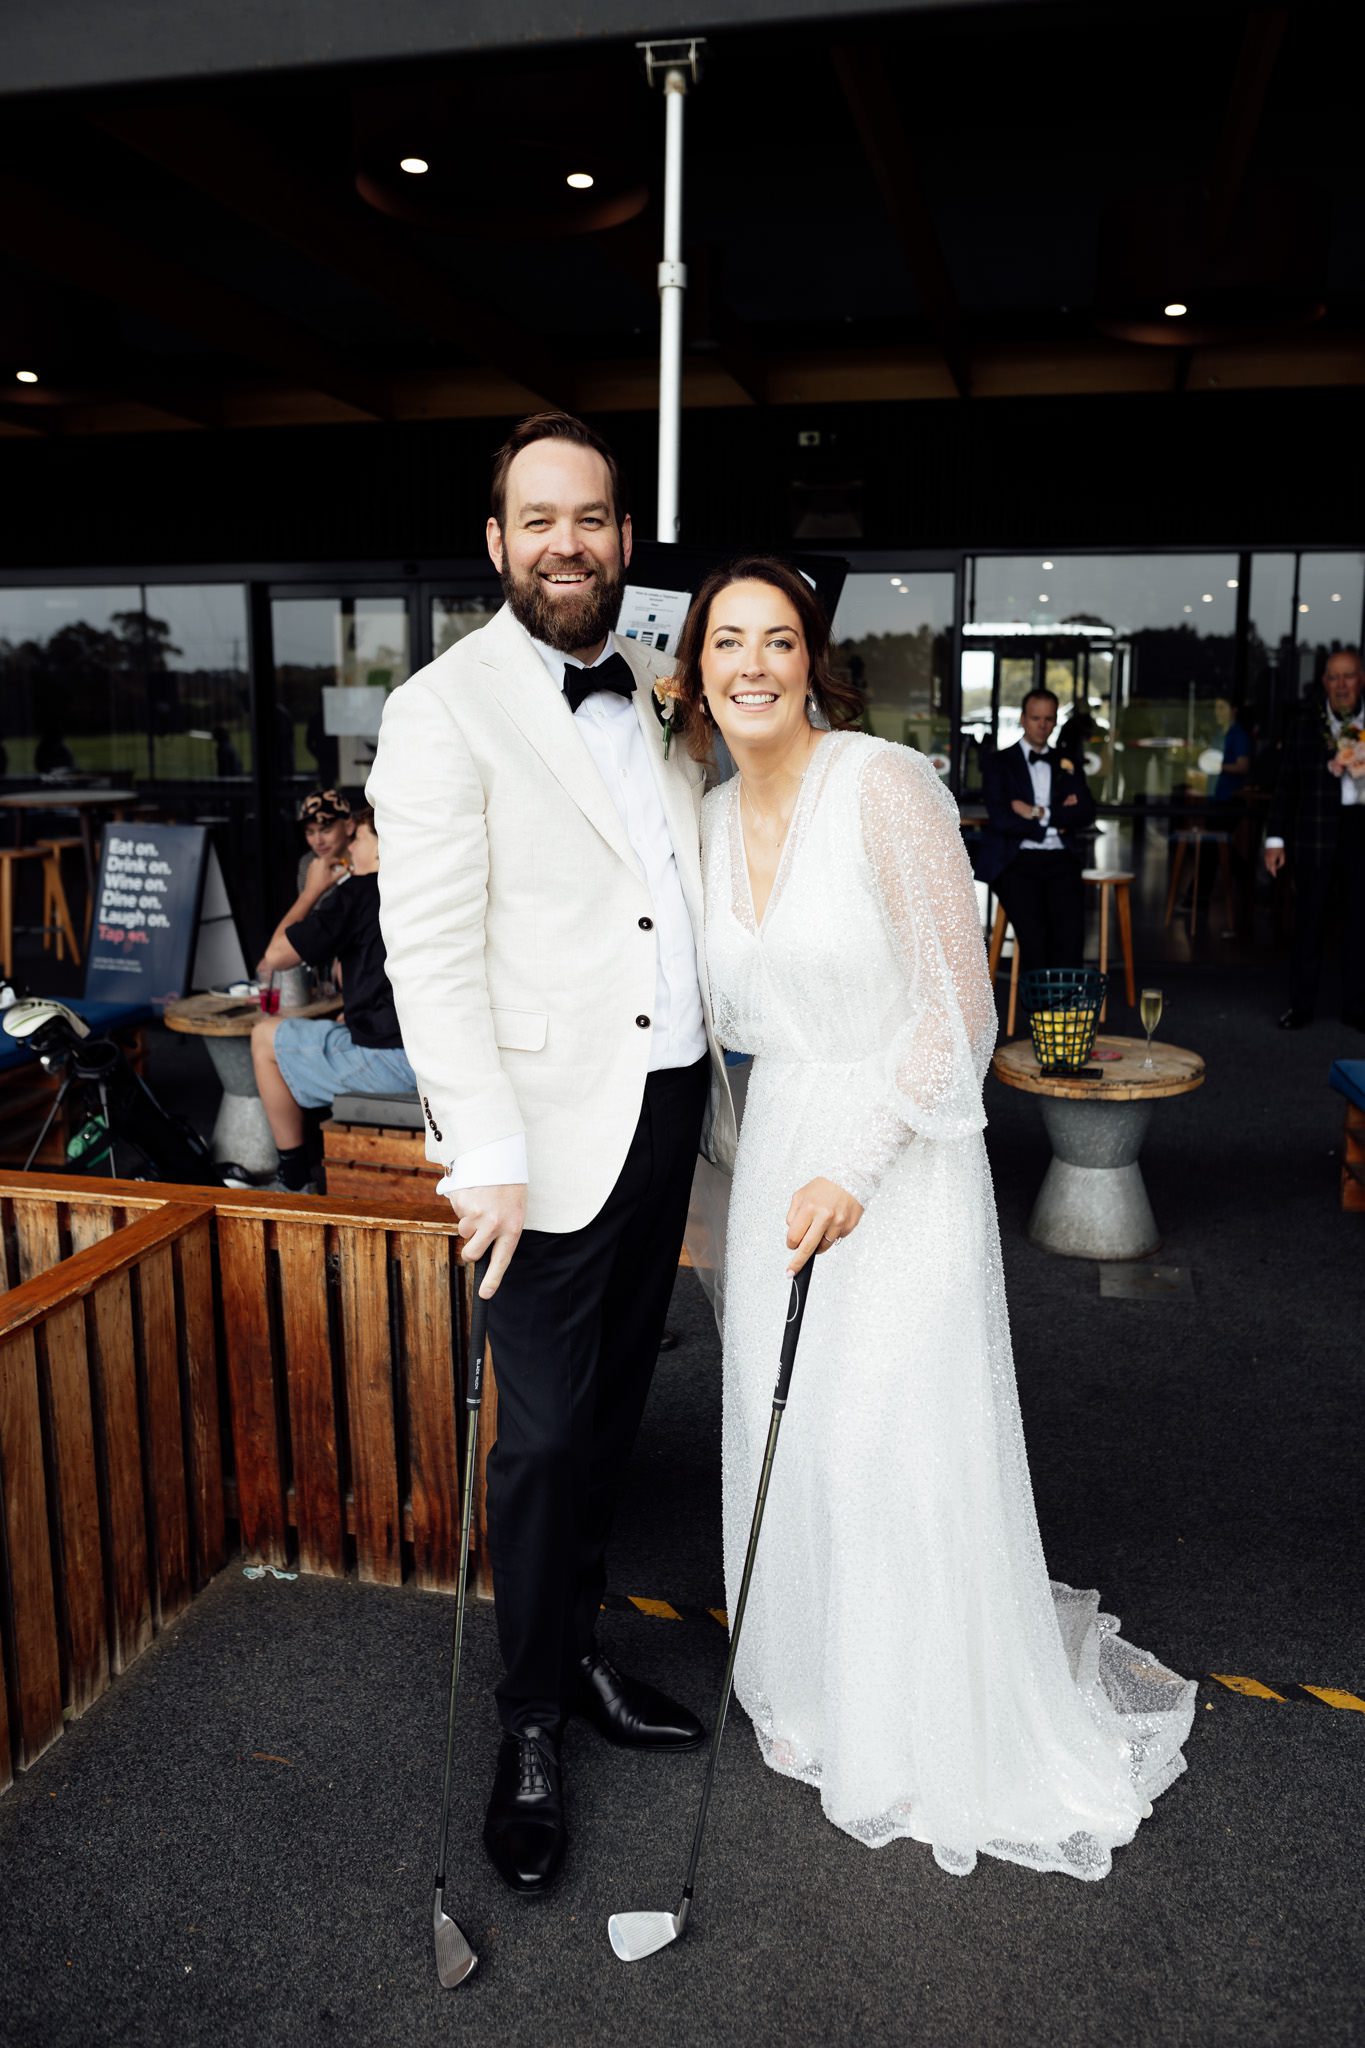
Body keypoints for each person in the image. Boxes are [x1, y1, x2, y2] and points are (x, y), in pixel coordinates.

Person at [668, 556, 1194, 1879]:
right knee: (793, 1426)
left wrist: (856, 1163)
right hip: (778, 1146)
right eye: (725, 641)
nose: (750, 664)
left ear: (812, 660)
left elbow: (960, 1004)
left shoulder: (883, 785)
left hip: (899, 1152)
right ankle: (821, 1684)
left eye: (775, 639)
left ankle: (920, 1710)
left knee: (883, 1432)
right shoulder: (705, 818)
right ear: (694, 669)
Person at [364, 411, 736, 1897]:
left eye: (590, 519)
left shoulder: (653, 686)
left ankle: (578, 1652)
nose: (566, 544)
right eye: (539, 520)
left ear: (625, 540)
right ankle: (525, 1722)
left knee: (616, 1410)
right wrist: (484, 1151)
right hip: (535, 1142)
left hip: (665, 1104)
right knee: (540, 1442)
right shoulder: (439, 710)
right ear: (496, 542)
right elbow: (428, 951)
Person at [250, 808, 416, 1193]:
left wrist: (312, 891)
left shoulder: (360, 892)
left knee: (263, 1038)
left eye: (358, 839)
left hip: (393, 1063)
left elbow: (275, 955)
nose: (350, 848)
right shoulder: (422, 887)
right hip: (436, 1056)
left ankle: (294, 1181)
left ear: (383, 847)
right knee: (334, 1026)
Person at [1265, 648, 1365, 1030]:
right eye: (1333, 677)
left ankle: (1357, 1008)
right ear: (1324, 683)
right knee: (1309, 922)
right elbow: (1286, 784)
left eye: (1348, 676)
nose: (1341, 685)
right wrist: (1275, 839)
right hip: (1316, 834)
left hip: (1361, 832)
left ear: (1361, 680)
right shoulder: (1305, 723)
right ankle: (1302, 1007)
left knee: (1360, 924)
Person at [977, 688, 1097, 986]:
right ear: (1022, 719)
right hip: (1016, 860)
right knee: (1035, 939)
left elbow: (1085, 812)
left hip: (1061, 858)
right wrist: (1058, 818)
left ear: (1055, 721)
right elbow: (1002, 819)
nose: (1042, 725)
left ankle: (1066, 1008)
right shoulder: (999, 763)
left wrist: (1036, 813)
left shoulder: (1067, 761)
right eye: (1035, 718)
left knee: (1070, 936)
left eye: (1049, 719)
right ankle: (1038, 1010)